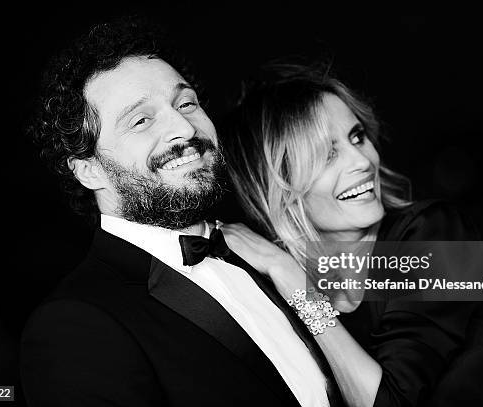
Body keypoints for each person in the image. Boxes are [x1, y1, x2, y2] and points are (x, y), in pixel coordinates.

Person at [20, 19, 346, 407]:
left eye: (186, 103)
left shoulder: (271, 243)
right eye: (141, 120)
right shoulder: (74, 325)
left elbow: (430, 275)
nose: (183, 128)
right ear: (89, 169)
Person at [219, 63, 483, 406]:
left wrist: (287, 274)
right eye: (328, 155)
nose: (363, 161)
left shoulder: (431, 232)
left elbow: (392, 400)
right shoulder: (285, 296)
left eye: (357, 137)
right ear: (280, 188)